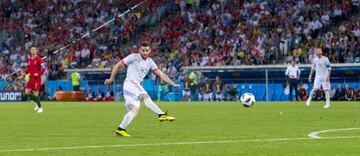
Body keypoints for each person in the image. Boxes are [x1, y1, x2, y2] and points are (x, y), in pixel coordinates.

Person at [104, 42, 180, 137]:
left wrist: (173, 84)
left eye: (146, 50)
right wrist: (111, 79)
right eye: (143, 50)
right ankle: (161, 114)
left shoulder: (150, 62)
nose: (144, 52)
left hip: (131, 86)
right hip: (131, 82)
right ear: (139, 50)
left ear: (150, 51)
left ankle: (120, 129)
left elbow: (162, 74)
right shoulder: (133, 56)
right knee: (145, 96)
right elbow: (117, 65)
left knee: (134, 110)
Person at [23, 46, 46, 113]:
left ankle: (40, 107)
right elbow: (29, 68)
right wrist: (25, 72)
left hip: (36, 79)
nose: (33, 51)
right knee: (26, 93)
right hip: (31, 78)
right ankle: (37, 102)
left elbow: (44, 68)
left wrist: (38, 74)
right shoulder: (29, 59)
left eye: (34, 49)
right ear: (30, 51)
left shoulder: (39, 59)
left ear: (36, 51)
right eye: (32, 49)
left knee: (36, 94)